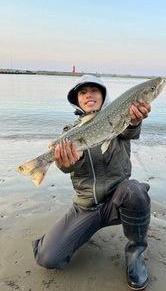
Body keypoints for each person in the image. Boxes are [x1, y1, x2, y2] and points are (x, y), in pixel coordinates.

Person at [32, 75, 152, 291]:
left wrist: (134, 121)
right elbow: (67, 167)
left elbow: (130, 130)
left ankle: (136, 253)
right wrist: (69, 161)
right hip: (85, 207)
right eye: (83, 91)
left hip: (119, 201)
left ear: (103, 96)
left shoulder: (120, 116)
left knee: (134, 190)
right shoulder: (69, 132)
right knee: (46, 258)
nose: (89, 94)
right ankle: (69, 235)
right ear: (77, 100)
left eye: (94, 90)